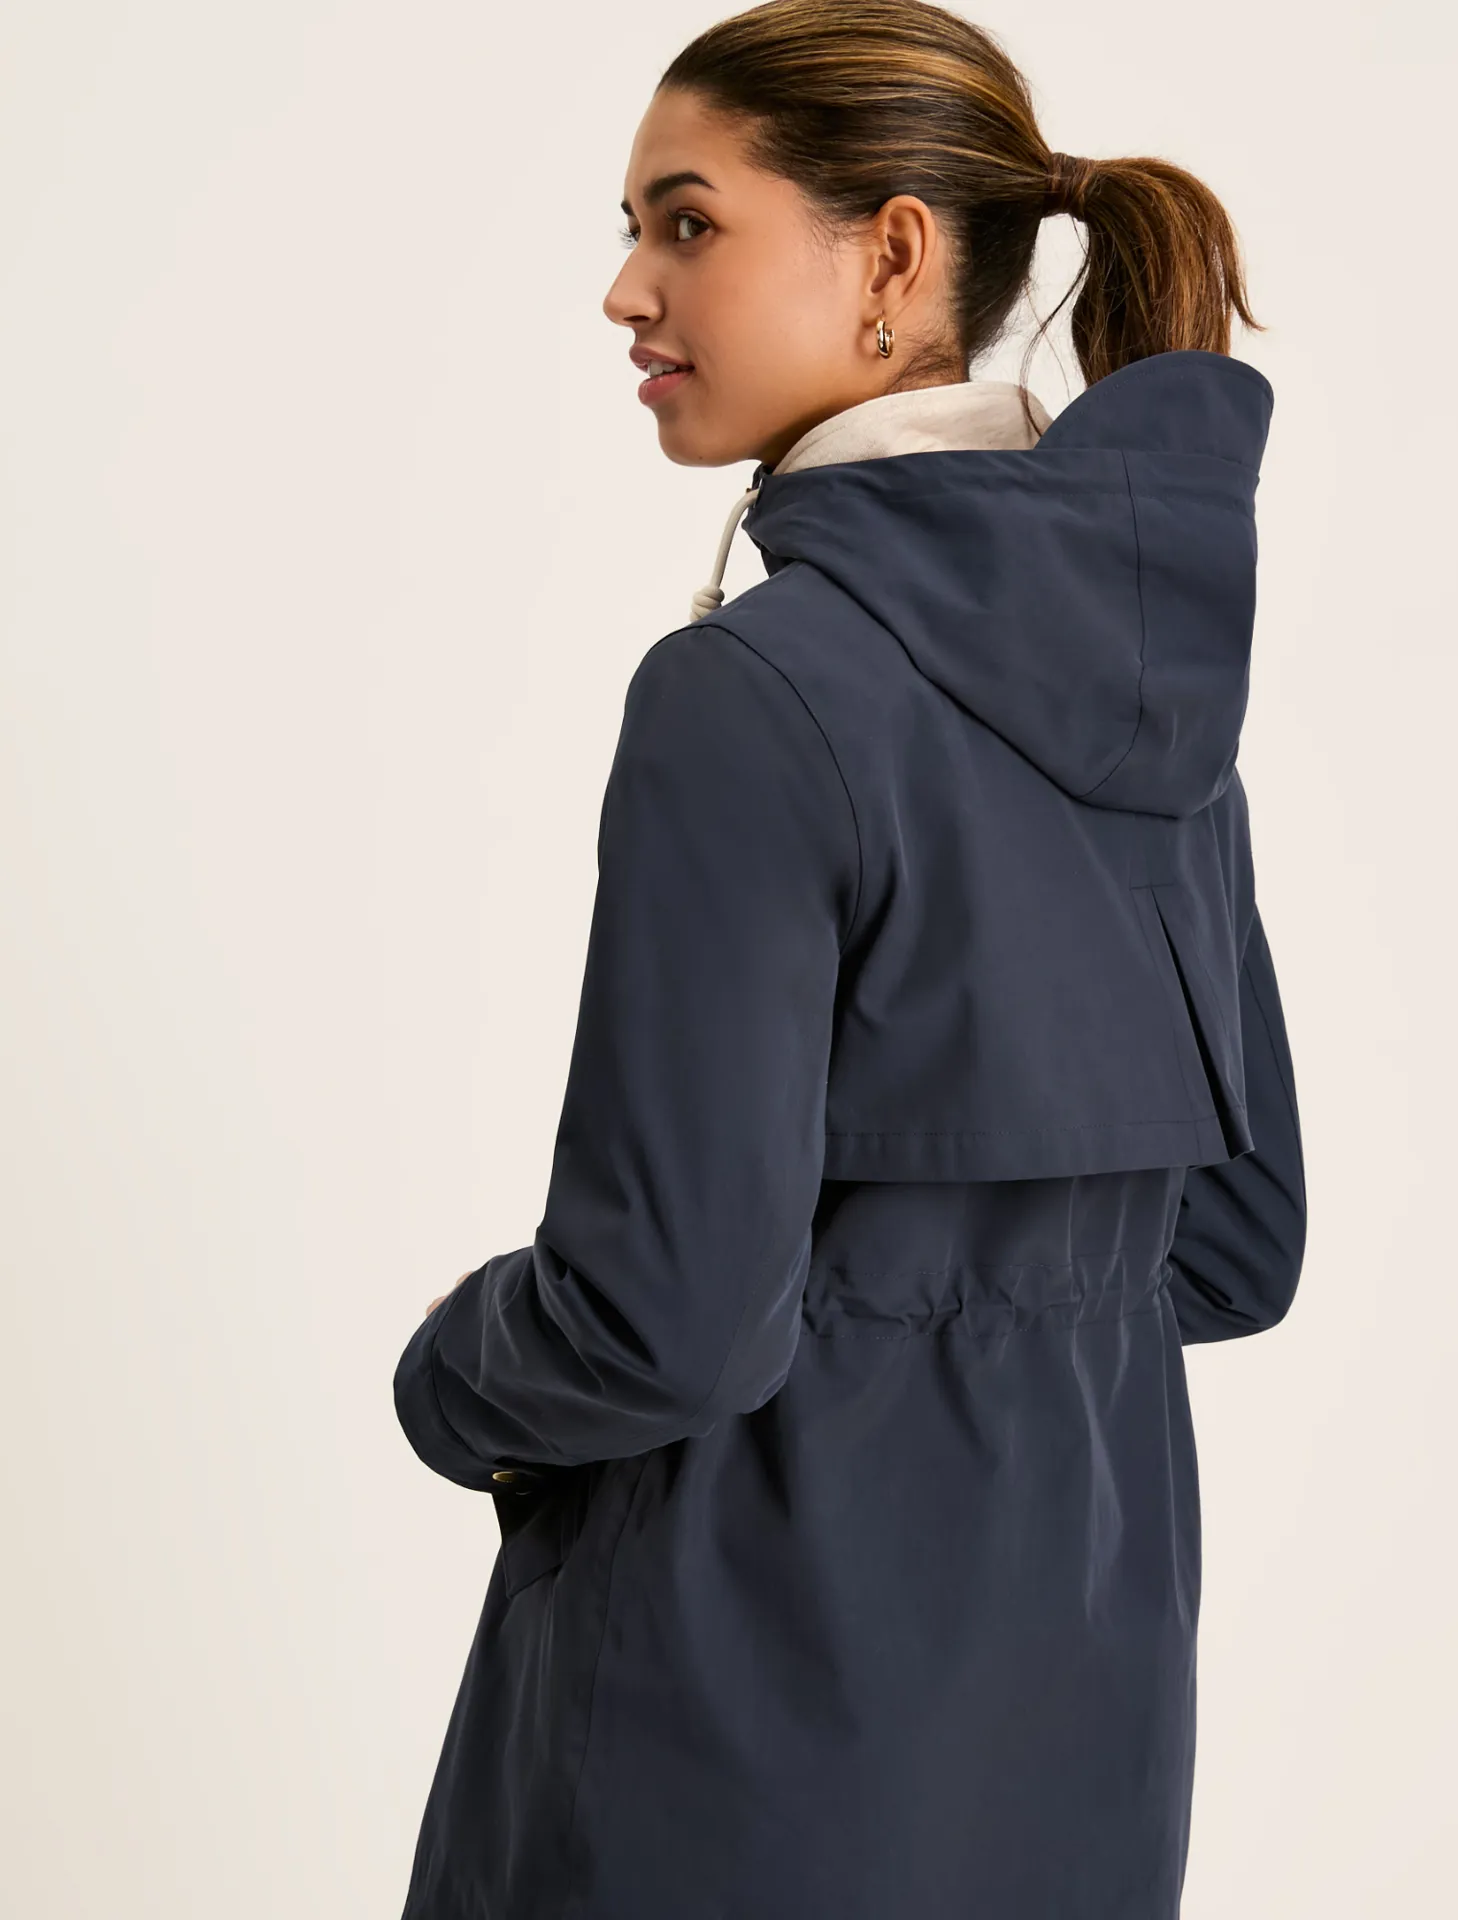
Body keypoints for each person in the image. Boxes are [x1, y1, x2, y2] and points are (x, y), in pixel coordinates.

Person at [391, 3, 1308, 1914]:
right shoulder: (1155, 694)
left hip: (722, 1740)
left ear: (890, 257)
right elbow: (1234, 1248)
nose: (628, 288)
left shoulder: (751, 693)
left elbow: (663, 1318)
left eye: (688, 222)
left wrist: (454, 1373)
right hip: (1082, 1750)